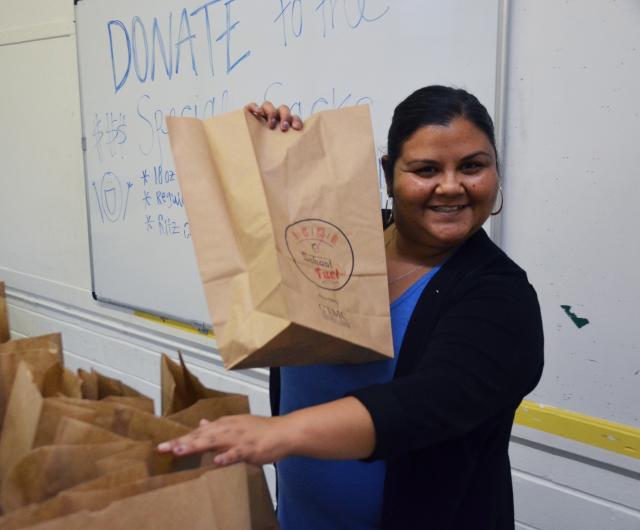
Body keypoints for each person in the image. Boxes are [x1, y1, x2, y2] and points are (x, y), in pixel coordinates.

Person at [158, 85, 544, 530]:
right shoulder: (343, 237)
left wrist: (279, 433)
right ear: (388, 174)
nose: (451, 186)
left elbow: (428, 402)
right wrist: (268, 149)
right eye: (426, 169)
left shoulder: (501, 296)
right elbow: (255, 233)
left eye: (472, 166)